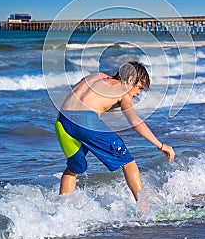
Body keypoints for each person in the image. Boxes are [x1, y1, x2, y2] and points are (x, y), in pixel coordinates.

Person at [55, 61, 175, 202]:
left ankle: (62, 209)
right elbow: (135, 122)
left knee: (73, 168)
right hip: (86, 121)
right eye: (139, 88)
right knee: (128, 162)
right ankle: (144, 207)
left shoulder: (96, 76)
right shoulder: (124, 92)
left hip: (62, 122)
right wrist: (160, 145)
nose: (138, 93)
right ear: (130, 80)